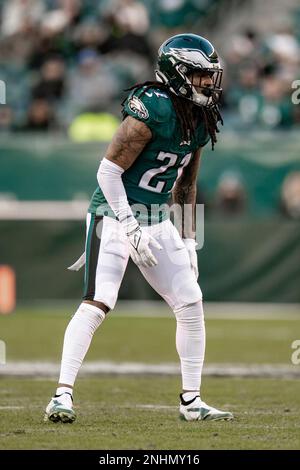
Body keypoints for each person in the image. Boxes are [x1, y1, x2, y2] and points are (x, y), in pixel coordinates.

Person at [44, 33, 233, 423]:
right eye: (200, 76)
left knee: (191, 302)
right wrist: (128, 226)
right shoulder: (153, 108)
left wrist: (189, 239)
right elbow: (108, 171)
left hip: (157, 220)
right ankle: (61, 396)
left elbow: (185, 185)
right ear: (178, 74)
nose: (208, 84)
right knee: (99, 303)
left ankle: (192, 402)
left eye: (210, 77)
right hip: (113, 215)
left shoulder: (199, 118)